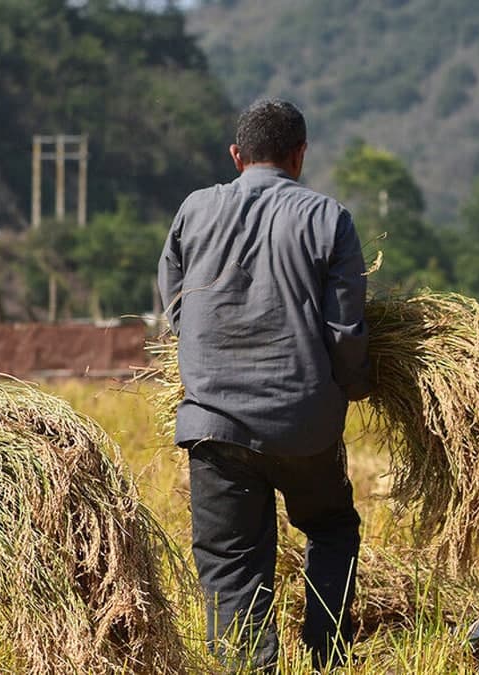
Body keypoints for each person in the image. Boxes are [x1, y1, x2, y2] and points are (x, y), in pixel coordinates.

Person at [157, 99, 371, 672]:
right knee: (330, 527)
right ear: (300, 155)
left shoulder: (194, 210)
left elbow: (175, 309)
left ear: (236, 155)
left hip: (213, 425)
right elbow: (346, 331)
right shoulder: (329, 219)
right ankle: (327, 652)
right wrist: (354, 386)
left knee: (231, 566)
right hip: (303, 424)